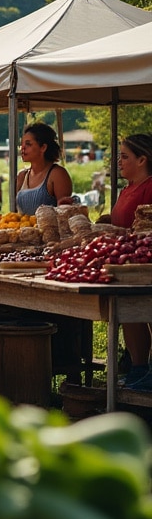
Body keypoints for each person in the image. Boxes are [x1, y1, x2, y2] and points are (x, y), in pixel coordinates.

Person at [112, 135, 152, 390]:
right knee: (130, 315)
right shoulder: (127, 189)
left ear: (142, 159)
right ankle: (138, 368)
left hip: (145, 263)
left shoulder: (149, 186)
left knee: (146, 315)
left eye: (125, 156)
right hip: (126, 262)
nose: (119, 161)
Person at [15, 123, 74, 215]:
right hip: (23, 228)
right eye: (21, 144)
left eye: (28, 144)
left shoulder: (57, 174)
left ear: (43, 147)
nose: (22, 148)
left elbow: (66, 213)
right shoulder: (22, 176)